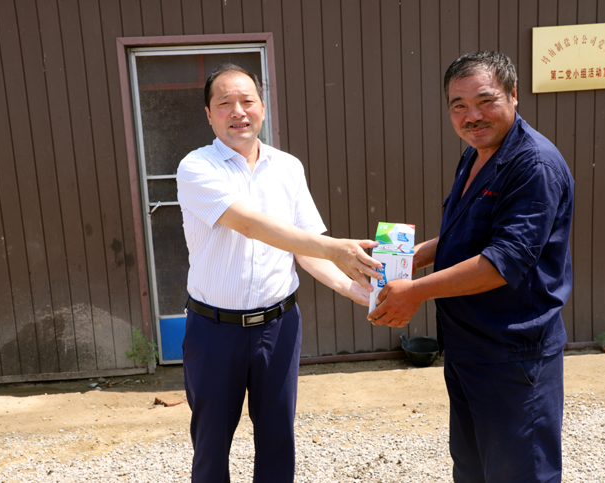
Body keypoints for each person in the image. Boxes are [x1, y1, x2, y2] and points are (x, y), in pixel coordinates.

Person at [368, 51, 574, 483]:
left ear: (513, 95)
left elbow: (504, 261)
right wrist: (416, 255)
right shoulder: (477, 153)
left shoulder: (533, 165)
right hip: (469, 348)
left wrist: (416, 290)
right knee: (473, 469)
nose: (472, 116)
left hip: (513, 354)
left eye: (485, 101)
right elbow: (471, 235)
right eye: (458, 106)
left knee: (520, 474)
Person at [176, 63, 380, 482]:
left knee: (277, 441)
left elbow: (305, 248)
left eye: (247, 101)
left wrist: (353, 288)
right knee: (211, 446)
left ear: (263, 108)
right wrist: (336, 248)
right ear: (209, 115)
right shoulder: (197, 168)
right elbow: (250, 224)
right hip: (214, 330)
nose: (238, 111)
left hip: (279, 326)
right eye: (225, 103)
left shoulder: (288, 167)